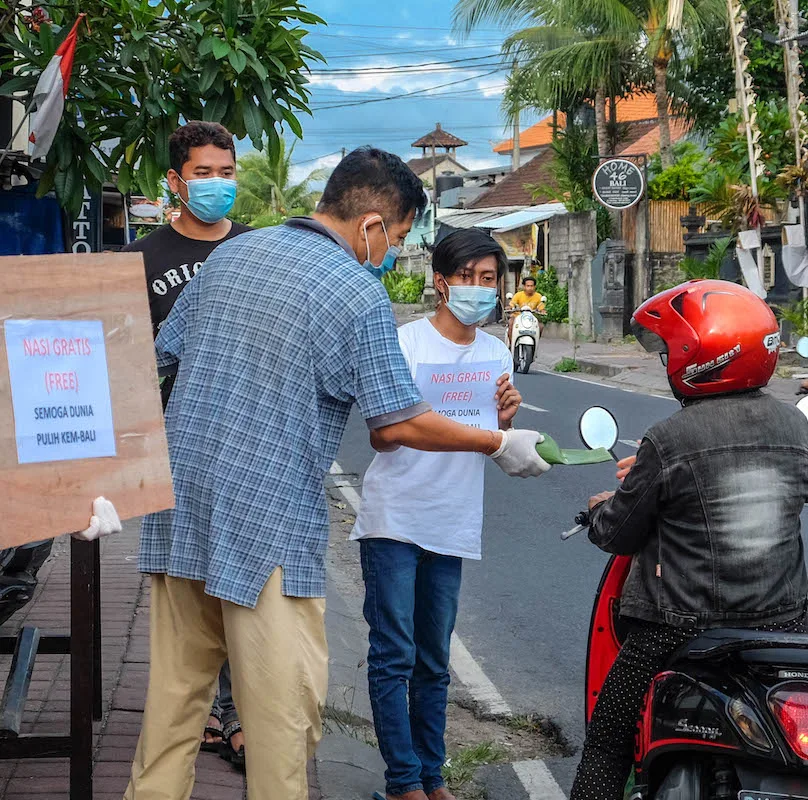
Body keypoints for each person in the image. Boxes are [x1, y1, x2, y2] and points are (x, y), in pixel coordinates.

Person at [124, 147, 552, 800]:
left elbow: (160, 353)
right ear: (374, 224)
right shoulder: (357, 292)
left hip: (178, 510)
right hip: (266, 530)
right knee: (282, 730)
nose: (390, 251)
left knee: (173, 713)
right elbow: (398, 421)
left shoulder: (231, 255)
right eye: (400, 237)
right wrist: (498, 441)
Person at [570, 279, 808, 800]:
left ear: (696, 357)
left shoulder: (669, 438)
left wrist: (600, 511)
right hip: (784, 623)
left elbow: (618, 532)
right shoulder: (795, 426)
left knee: (609, 736)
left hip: (680, 624)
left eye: (669, 353)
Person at [351, 229, 520, 800]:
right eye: (467, 277)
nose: (478, 289)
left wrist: (507, 423)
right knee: (394, 654)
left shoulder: (497, 353)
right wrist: (480, 437)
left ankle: (430, 775)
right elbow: (383, 437)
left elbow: (496, 443)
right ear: (441, 282)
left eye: (489, 279)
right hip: (394, 518)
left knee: (434, 663)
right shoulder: (405, 344)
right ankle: (401, 783)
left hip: (452, 521)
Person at [123, 120, 250, 769]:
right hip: (172, 447)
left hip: (247, 445)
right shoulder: (144, 259)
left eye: (226, 172)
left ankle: (235, 712)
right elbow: (124, 360)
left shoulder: (259, 252)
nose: (218, 185)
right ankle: (194, 712)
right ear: (176, 180)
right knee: (182, 586)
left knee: (239, 582)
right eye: (204, 174)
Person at [507, 277, 546, 344]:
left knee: (541, 326)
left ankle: (535, 343)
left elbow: (541, 308)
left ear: (534, 286)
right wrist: (510, 308)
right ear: (524, 286)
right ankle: (511, 344)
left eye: (532, 286)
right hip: (517, 317)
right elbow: (512, 304)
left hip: (531, 318)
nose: (530, 288)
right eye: (528, 286)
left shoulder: (538, 296)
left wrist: (542, 311)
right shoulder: (518, 295)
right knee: (511, 323)